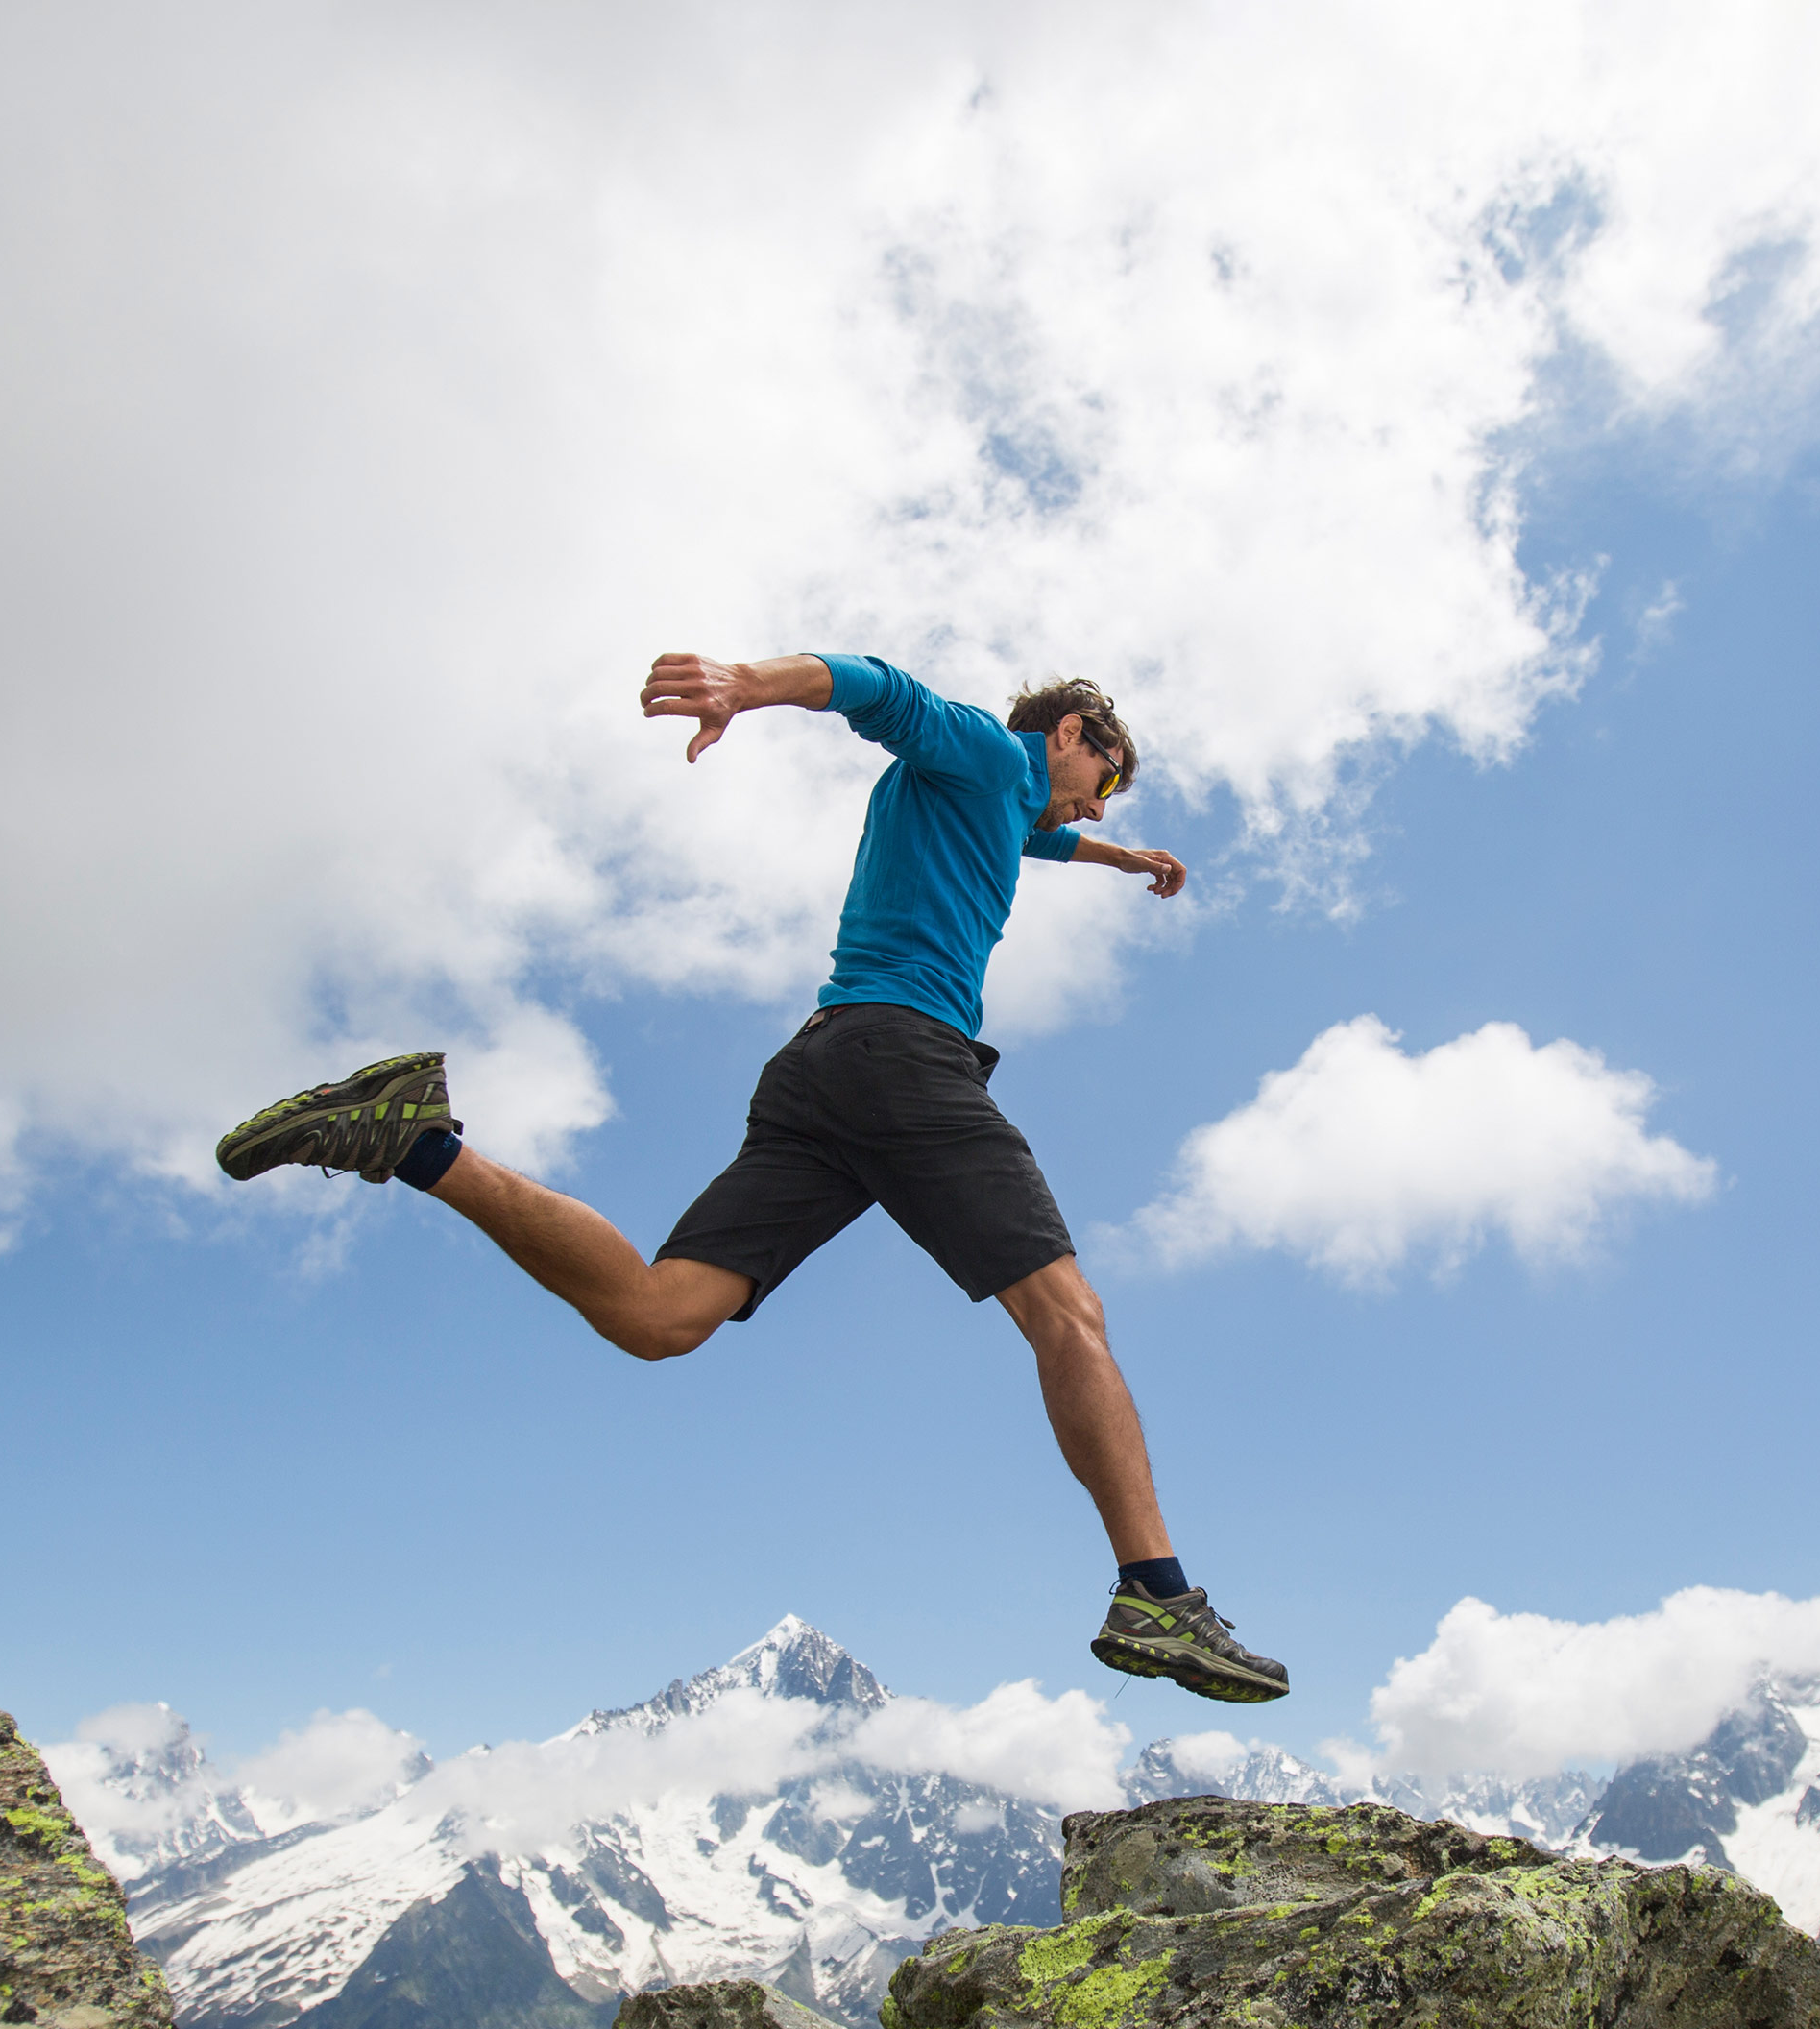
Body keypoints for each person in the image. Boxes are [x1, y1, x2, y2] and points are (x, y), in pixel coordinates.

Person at [215, 652, 1289, 1705]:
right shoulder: (986, 750)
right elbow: (874, 686)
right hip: (905, 1055)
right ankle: (1156, 1591)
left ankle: (415, 1140)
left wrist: (1121, 857)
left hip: (821, 1072)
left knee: (657, 1312)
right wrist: (742, 683)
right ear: (1070, 737)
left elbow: (1041, 842)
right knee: (1070, 1315)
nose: (1096, 805)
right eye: (1104, 782)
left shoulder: (1001, 804)